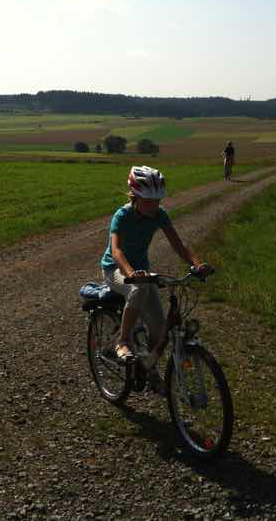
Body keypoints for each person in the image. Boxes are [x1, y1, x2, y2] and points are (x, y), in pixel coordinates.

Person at [101, 165, 210, 391]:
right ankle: (122, 341)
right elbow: (116, 251)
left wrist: (197, 265)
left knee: (159, 328)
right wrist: (130, 274)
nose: (153, 206)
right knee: (138, 289)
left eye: (157, 201)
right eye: (147, 201)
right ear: (135, 196)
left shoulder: (160, 215)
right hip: (116, 269)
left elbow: (179, 245)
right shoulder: (122, 216)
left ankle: (148, 367)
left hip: (142, 273)